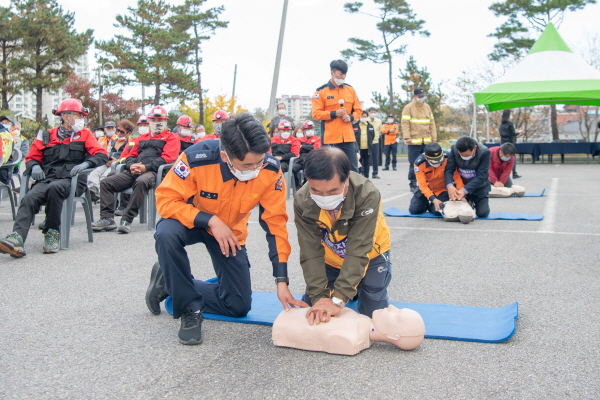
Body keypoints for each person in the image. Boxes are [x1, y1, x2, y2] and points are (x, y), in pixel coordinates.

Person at [145, 113, 305, 345]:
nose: (255, 169)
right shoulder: (196, 157)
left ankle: (169, 283)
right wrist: (209, 220)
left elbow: (276, 225)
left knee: (238, 306)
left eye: (259, 161)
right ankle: (190, 310)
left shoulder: (270, 170)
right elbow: (166, 201)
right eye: (247, 165)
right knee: (166, 234)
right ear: (224, 156)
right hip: (190, 221)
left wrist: (282, 280)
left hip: (230, 233)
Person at [294, 147, 392, 322]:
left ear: (346, 179)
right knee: (312, 311)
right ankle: (348, 288)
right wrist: (319, 297)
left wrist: (338, 299)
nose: (324, 197)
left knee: (374, 318)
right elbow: (310, 251)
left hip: (370, 256)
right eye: (316, 191)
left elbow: (358, 250)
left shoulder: (366, 193)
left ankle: (353, 288)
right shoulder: (303, 199)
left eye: (332, 191)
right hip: (331, 260)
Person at [0, 99, 108, 257]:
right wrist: (35, 166)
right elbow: (31, 157)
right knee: (30, 197)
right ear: (65, 116)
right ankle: (17, 238)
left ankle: (52, 233)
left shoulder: (85, 134)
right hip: (47, 178)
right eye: (77, 115)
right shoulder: (46, 135)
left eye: (81, 116)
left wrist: (87, 164)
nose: (80, 119)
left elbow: (102, 154)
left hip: (72, 180)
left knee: (54, 188)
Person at [92, 105, 179, 234]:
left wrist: (146, 168)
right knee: (106, 182)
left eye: (159, 120)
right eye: (154, 121)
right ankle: (107, 218)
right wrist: (131, 166)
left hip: (155, 172)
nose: (156, 123)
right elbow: (131, 155)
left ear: (165, 121)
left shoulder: (171, 137)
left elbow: (167, 158)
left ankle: (127, 219)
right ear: (149, 121)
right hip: (135, 170)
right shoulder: (141, 138)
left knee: (141, 182)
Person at [272, 305, 425, 355]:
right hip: (289, 316)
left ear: (394, 335)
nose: (392, 307)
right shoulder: (358, 320)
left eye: (397, 315)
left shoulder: (351, 338)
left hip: (284, 324)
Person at [312, 59, 362, 172]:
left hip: (348, 138)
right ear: (332, 73)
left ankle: (352, 190)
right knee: (330, 171)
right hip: (331, 139)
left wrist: (351, 117)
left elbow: (358, 110)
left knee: (353, 170)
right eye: (340, 74)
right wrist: (334, 114)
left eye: (344, 75)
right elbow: (316, 114)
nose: (342, 78)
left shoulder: (350, 90)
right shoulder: (321, 92)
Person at [409, 142, 464, 215]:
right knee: (414, 210)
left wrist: (461, 193)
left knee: (438, 211)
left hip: (442, 190)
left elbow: (457, 177)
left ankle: (432, 206)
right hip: (426, 189)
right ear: (426, 157)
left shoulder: (448, 158)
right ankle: (427, 203)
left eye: (439, 159)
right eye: (434, 161)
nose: (438, 163)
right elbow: (423, 185)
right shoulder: (419, 163)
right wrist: (433, 199)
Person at [444, 136, 491, 218]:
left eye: (467, 155)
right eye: (461, 155)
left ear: (475, 148)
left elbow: (481, 176)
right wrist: (449, 185)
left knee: (482, 213)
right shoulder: (454, 149)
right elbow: (449, 170)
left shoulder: (484, 152)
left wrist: (465, 190)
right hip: (461, 186)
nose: (464, 157)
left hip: (479, 187)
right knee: (457, 212)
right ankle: (468, 201)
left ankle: (476, 201)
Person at [401, 87, 437, 192]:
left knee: (428, 162)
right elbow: (405, 123)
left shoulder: (427, 107)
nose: (422, 98)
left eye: (423, 96)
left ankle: (427, 182)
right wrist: (407, 137)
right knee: (414, 163)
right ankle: (413, 182)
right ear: (414, 96)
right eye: (420, 96)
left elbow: (432, 122)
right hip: (413, 141)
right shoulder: (408, 107)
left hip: (426, 140)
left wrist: (434, 136)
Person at [292, 120, 321, 189]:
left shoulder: (317, 139)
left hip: (312, 159)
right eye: (308, 129)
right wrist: (309, 147)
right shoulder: (299, 139)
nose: (310, 130)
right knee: (293, 169)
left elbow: (315, 148)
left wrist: (303, 147)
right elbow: (297, 148)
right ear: (304, 130)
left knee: (308, 170)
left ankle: (306, 185)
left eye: (312, 128)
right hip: (300, 159)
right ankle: (297, 185)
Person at [499, 109, 521, 179]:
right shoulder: (510, 124)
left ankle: (501, 172)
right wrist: (518, 132)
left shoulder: (501, 124)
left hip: (502, 142)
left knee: (502, 158)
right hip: (509, 143)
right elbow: (512, 133)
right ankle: (514, 173)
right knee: (512, 158)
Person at [353, 111, 375, 179]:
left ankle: (366, 177)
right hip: (358, 148)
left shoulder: (370, 126)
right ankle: (358, 177)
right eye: (362, 116)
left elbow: (372, 136)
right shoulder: (355, 126)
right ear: (359, 116)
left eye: (365, 117)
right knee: (358, 163)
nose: (364, 118)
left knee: (367, 163)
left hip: (367, 148)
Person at [368, 108, 382, 179]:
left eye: (374, 112)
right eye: (371, 112)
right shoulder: (366, 120)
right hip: (367, 142)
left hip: (375, 142)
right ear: (369, 113)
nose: (373, 113)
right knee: (366, 158)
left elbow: (379, 131)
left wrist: (376, 138)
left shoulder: (379, 121)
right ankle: (364, 173)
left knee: (375, 159)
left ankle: (375, 173)